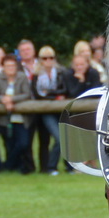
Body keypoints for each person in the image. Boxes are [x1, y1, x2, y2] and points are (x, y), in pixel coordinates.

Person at [32, 46, 71, 174]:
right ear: (40, 60)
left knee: (66, 137)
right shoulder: (36, 74)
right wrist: (54, 95)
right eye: (45, 58)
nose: (48, 60)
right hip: (45, 111)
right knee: (58, 138)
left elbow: (64, 90)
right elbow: (37, 94)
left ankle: (67, 166)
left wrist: (48, 93)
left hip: (59, 110)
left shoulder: (60, 72)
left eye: (51, 57)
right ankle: (50, 167)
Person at [0, 55, 34, 172]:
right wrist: (3, 99)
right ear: (3, 67)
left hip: (21, 118)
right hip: (5, 118)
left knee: (23, 143)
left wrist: (11, 99)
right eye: (7, 66)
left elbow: (26, 94)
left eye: (13, 65)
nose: (10, 68)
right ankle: (14, 167)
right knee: (9, 143)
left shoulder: (21, 77)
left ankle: (7, 165)